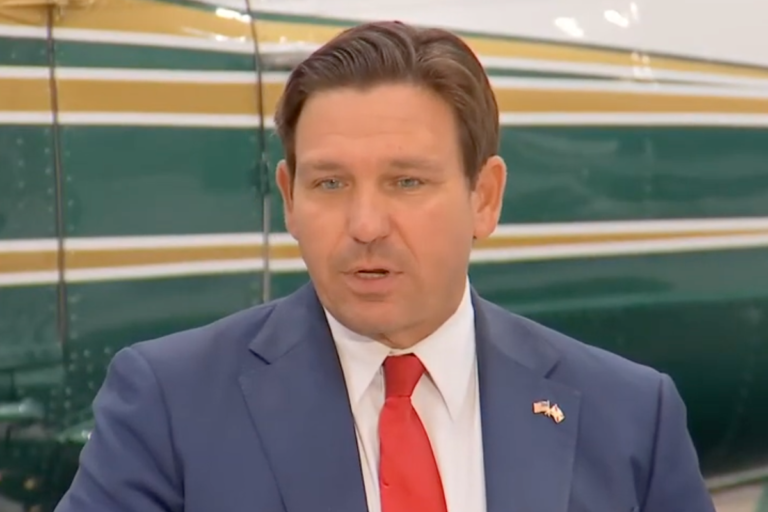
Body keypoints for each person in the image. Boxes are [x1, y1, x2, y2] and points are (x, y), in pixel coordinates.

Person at [53, 20, 716, 512]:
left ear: (483, 198)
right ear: (288, 197)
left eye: (406, 183)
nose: (365, 226)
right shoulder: (168, 406)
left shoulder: (630, 416)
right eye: (330, 185)